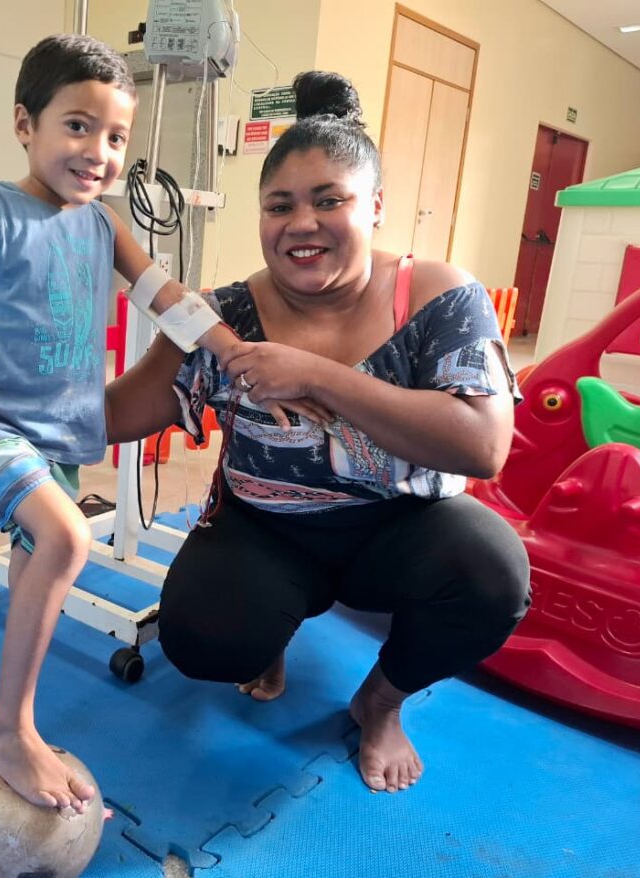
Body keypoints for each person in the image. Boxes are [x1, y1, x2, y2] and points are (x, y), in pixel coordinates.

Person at [98, 70, 532, 794]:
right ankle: (271, 635)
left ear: (377, 205)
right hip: (265, 527)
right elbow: (117, 415)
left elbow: (483, 445)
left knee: (492, 573)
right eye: (280, 205)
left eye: (329, 200)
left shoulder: (440, 295)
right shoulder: (224, 316)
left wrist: (318, 376)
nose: (302, 223)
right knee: (203, 638)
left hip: (401, 530)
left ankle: (381, 703)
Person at [0, 34, 258, 813]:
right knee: (68, 539)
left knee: (41, 554)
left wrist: (233, 351)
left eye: (115, 137)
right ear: (24, 123)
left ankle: (18, 705)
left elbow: (165, 296)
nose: (97, 152)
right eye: (77, 126)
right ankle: (10, 729)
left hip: (64, 438)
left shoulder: (102, 225)